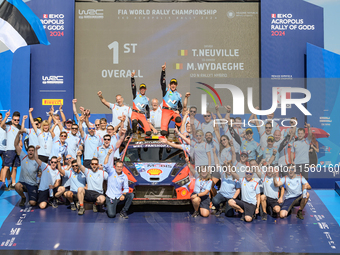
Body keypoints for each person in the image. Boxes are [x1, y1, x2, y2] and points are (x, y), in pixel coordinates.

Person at [103, 150, 134, 219]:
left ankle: (123, 211)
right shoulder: (111, 171)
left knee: (131, 195)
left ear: (122, 167)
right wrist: (108, 154)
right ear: (115, 166)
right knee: (111, 215)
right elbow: (105, 164)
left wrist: (123, 194)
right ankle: (110, 205)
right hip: (111, 197)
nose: (119, 168)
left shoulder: (124, 176)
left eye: (120, 167)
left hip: (119, 196)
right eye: (118, 166)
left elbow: (126, 188)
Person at [13, 130, 40, 207]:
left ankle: (34, 194)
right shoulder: (23, 156)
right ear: (27, 151)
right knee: (17, 186)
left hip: (32, 184)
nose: (30, 152)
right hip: (23, 183)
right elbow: (16, 145)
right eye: (29, 150)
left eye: (32, 150)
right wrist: (18, 134)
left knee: (33, 203)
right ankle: (23, 197)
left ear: (34, 151)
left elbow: (40, 172)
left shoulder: (37, 161)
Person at [160, 62, 183, 136]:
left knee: (179, 119)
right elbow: (162, 83)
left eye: (174, 84)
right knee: (164, 132)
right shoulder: (166, 91)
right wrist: (163, 71)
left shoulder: (178, 95)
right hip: (166, 112)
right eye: (172, 84)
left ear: (176, 85)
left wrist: (178, 111)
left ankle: (176, 132)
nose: (173, 85)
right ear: (169, 85)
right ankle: (166, 140)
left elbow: (180, 106)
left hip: (173, 112)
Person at [1, 110, 21, 190]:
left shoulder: (19, 129)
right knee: (6, 167)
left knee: (15, 167)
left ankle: (13, 184)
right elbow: (2, 125)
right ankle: (3, 184)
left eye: (18, 120)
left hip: (16, 150)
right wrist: (6, 116)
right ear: (12, 120)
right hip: (9, 150)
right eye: (15, 120)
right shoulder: (8, 127)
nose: (16, 121)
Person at [130, 71, 152, 137]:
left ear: (146, 89)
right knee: (134, 122)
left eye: (144, 89)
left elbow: (147, 109)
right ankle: (134, 132)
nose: (142, 90)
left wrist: (148, 118)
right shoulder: (136, 95)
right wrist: (132, 78)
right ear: (139, 89)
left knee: (148, 132)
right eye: (141, 89)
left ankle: (140, 132)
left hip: (142, 115)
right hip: (135, 113)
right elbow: (133, 87)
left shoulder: (147, 99)